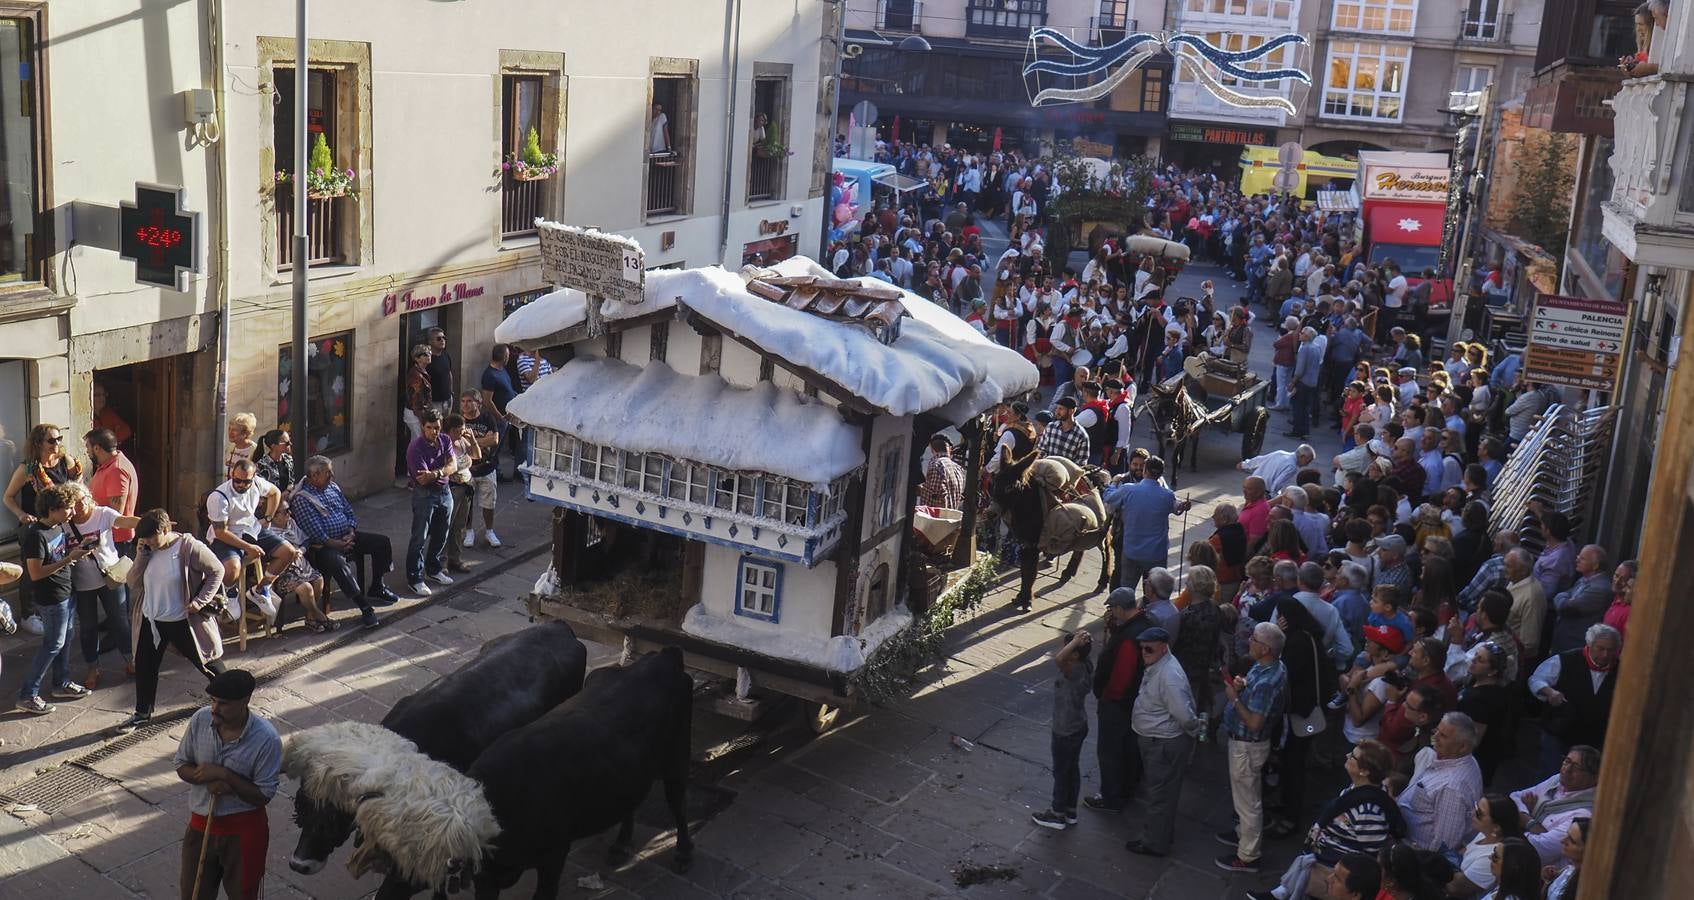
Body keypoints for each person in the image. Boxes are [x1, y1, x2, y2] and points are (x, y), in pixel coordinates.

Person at [117, 510, 229, 734]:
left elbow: (217, 570)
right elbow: (132, 582)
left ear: (165, 530)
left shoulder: (188, 547)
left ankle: (232, 700)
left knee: (207, 661)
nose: (147, 542)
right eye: (143, 538)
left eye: (151, 537)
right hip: (152, 618)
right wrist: (141, 556)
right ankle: (142, 713)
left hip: (182, 619)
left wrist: (200, 601)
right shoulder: (147, 551)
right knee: (145, 666)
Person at [175, 669, 282, 900]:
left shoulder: (266, 739)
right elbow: (182, 765)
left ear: (245, 701)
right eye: (213, 701)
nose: (214, 708)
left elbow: (264, 794)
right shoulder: (200, 720)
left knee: (243, 894)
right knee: (193, 894)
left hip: (243, 832)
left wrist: (226, 777)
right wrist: (202, 777)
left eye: (223, 704)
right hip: (200, 827)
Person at [1251, 741, 1404, 900]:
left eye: (1353, 756)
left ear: (1364, 771)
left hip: (1334, 871)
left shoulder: (1370, 813)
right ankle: (1281, 893)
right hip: (1324, 858)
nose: (1347, 756)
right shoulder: (1355, 789)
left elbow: (1370, 857)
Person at [15, 485, 97, 714]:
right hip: (51, 600)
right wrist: (69, 558)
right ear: (52, 510)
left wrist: (77, 551)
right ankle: (28, 694)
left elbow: (59, 555)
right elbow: (35, 573)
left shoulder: (58, 528)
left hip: (66, 593)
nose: (72, 512)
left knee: (65, 639)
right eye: (68, 508)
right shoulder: (36, 536)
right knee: (52, 645)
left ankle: (61, 683)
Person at [1216, 621, 1288, 874]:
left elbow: (1256, 722)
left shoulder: (1269, 680)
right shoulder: (1269, 667)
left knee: (1248, 802)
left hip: (1247, 746)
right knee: (1245, 797)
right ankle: (1242, 835)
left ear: (1266, 648)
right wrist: (1242, 685)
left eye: (1255, 640)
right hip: (1244, 744)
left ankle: (1248, 855)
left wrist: (1234, 699)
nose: (1250, 642)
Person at [288, 455, 396, 621]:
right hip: (323, 546)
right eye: (328, 473)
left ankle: (377, 586)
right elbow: (315, 532)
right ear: (315, 475)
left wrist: (351, 531)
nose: (332, 476)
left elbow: (348, 511)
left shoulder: (332, 487)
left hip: (346, 535)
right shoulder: (302, 499)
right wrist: (337, 544)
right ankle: (364, 606)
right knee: (337, 563)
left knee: (381, 542)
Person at [3, 423, 85, 633]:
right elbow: (8, 497)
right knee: (32, 571)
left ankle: (55, 609)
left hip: (60, 524)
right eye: (51, 440)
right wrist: (21, 514)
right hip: (35, 527)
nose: (56, 444)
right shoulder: (28, 469)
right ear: (38, 443)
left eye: (59, 439)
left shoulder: (66, 462)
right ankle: (29, 615)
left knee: (59, 564)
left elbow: (77, 484)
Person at [1126, 627, 1199, 857]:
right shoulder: (1160, 665)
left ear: (1163, 647)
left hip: (1163, 743)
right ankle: (1161, 834)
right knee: (1161, 793)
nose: (1144, 652)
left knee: (1160, 795)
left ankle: (1153, 843)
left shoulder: (1169, 676)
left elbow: (1185, 715)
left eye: (1149, 648)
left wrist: (1196, 729)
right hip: (1157, 739)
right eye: (1142, 648)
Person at [1271, 596, 1337, 835]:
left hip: (1301, 713)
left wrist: (1277, 634)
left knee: (1293, 763)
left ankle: (1290, 814)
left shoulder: (1296, 642)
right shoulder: (1309, 637)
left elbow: (1281, 671)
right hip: (1306, 711)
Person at [64, 482, 139, 690]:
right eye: (74, 503)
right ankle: (92, 668)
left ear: (89, 497)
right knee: (88, 627)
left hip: (110, 577)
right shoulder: (65, 523)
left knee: (119, 621)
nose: (80, 506)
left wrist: (153, 524)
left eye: (83, 500)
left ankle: (130, 661)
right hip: (83, 583)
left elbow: (124, 521)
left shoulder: (102, 513)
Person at [1086, 588, 1154, 813]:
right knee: (1127, 747)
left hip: (1118, 704)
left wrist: (1107, 697)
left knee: (1110, 751)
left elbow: (1121, 675)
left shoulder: (1128, 637)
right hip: (1135, 701)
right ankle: (1126, 788)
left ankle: (1111, 796)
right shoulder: (1144, 623)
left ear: (1118, 608)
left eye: (1112, 609)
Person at [204, 458, 298, 607]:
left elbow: (275, 493)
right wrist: (248, 547)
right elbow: (220, 532)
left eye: (245, 481)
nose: (240, 485)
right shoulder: (219, 497)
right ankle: (230, 593)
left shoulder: (257, 483)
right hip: (227, 536)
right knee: (232, 569)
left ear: (253, 478)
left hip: (251, 529)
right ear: (231, 476)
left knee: (288, 552)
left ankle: (262, 589)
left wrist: (268, 518)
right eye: (237, 480)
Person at [1530, 625, 1618, 780]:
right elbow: (1536, 679)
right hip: (1559, 732)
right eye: (1600, 648)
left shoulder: (1620, 669)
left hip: (1593, 739)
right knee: (1550, 777)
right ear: (1589, 645)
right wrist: (1550, 692)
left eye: (1611, 650)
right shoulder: (1565, 660)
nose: (1605, 654)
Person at [1396, 712, 1485, 853]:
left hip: (1414, 852)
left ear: (1462, 747)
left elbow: (1445, 843)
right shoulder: (1463, 759)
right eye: (1437, 730)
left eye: (1443, 735)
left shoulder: (1452, 788)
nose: (1435, 736)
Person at [1031, 629, 1093, 830]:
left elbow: (1059, 659)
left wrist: (1075, 642)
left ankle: (1057, 813)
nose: (1063, 650)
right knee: (1072, 769)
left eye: (1069, 647)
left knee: (1061, 771)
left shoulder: (1073, 670)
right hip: (1078, 725)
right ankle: (1070, 810)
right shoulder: (1086, 666)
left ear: (1074, 654)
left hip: (1065, 729)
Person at [1101, 456, 1192, 590]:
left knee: (1127, 589)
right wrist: (1183, 505)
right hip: (1156, 554)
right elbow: (1177, 507)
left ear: (1145, 471)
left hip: (1132, 551)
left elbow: (1108, 497)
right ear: (1160, 474)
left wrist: (1113, 483)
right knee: (1155, 591)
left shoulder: (1128, 490)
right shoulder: (1167, 495)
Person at [1510, 744, 1599, 866]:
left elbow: (1538, 848)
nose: (1567, 769)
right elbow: (1513, 797)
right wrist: (1532, 824)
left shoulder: (1584, 814)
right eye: (1567, 761)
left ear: (1594, 779)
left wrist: (1526, 820)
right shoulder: (1558, 780)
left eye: (1577, 767)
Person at [405, 408, 459, 596]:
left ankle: (433, 568)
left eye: (436, 427)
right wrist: (443, 470)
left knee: (442, 533)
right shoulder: (415, 448)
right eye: (429, 428)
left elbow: (454, 465)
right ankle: (415, 578)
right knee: (419, 536)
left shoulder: (445, 440)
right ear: (422, 427)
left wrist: (436, 472)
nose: (433, 432)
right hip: (424, 494)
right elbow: (423, 479)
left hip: (444, 491)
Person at [1455, 634, 1514, 785]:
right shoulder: (1475, 684)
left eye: (1480, 660)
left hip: (1470, 762)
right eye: (1475, 655)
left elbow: (1474, 739)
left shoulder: (1484, 699)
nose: (1473, 660)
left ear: (1492, 671)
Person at [1448, 794, 1525, 896]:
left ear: (1496, 827)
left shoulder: (1493, 855)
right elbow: (1464, 852)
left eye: (1479, 814)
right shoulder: (1486, 833)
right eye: (1476, 807)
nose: (1472, 813)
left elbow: (1456, 888)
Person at [456, 391, 504, 550]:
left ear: (478, 403)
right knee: (467, 503)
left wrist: (471, 441)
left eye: (469, 401)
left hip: (487, 467)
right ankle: (468, 531)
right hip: (467, 470)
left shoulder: (487, 418)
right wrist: (483, 441)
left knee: (489, 503)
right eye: (463, 401)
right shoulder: (459, 421)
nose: (465, 404)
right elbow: (457, 443)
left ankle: (489, 531)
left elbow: (494, 439)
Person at [84, 428, 139, 554]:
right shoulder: (107, 464)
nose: (87, 452)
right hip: (108, 537)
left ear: (97, 448)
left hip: (115, 541)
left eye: (88, 447)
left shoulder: (116, 470)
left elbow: (115, 514)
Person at [1549, 544, 1612, 653]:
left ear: (1595, 566)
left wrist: (1563, 598)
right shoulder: (1584, 579)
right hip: (1563, 643)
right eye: (1578, 556)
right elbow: (1563, 595)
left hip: (1574, 646)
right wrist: (1563, 597)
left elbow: (1564, 607)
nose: (1577, 559)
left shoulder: (1599, 589)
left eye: (1582, 558)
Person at [442, 414, 483, 575]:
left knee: (459, 526)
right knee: (446, 525)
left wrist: (472, 439)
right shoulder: (445, 443)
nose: (463, 431)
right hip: (451, 488)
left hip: (465, 487)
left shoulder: (461, 441)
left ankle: (455, 558)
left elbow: (477, 455)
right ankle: (442, 561)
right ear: (452, 430)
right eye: (461, 429)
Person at [480, 344, 522, 481]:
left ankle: (496, 472)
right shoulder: (490, 375)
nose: (509, 357)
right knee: (494, 448)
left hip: (508, 415)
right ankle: (491, 472)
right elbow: (487, 400)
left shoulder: (502, 370)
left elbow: (508, 390)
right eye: (508, 355)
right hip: (498, 417)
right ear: (504, 356)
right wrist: (499, 417)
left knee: (500, 446)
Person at [1501, 548, 1545, 658]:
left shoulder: (1531, 597)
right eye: (1504, 564)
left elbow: (1529, 642)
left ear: (1523, 571)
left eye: (1508, 566)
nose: (1503, 569)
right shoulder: (1515, 580)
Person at [1477, 837, 1543, 900]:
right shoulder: (1504, 886)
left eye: (1496, 856)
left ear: (1512, 867)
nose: (1490, 857)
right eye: (1494, 851)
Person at [1239, 444, 1316, 495]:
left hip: (1252, 483)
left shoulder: (1280, 453)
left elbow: (1261, 459)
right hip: (1263, 491)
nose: (1307, 465)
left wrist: (1244, 464)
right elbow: (1277, 483)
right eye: (1307, 461)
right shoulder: (1292, 467)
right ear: (1302, 456)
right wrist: (1272, 497)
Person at [1542, 816, 1589, 900]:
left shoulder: (1587, 886)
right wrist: (1550, 881)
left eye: (1572, 841)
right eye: (1567, 834)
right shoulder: (1568, 870)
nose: (1563, 840)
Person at [919, 435, 966, 510]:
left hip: (935, 519)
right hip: (951, 517)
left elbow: (937, 496)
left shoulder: (936, 465)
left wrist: (921, 489)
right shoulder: (958, 468)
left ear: (932, 449)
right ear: (949, 449)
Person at [403, 343, 433, 443]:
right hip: (415, 414)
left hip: (418, 412)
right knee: (419, 441)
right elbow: (416, 398)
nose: (429, 355)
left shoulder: (422, 371)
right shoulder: (416, 375)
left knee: (417, 440)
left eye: (429, 353)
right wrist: (421, 418)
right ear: (417, 358)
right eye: (425, 354)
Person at [90, 380, 134, 447]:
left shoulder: (108, 413)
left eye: (104, 394)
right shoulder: (87, 416)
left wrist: (109, 441)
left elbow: (126, 430)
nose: (102, 398)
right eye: (98, 395)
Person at [424, 326, 455, 415]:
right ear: (430, 342)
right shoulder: (426, 359)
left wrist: (451, 392)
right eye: (438, 338)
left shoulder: (446, 355)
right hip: (434, 402)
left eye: (443, 338)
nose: (442, 340)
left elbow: (449, 374)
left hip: (448, 399)